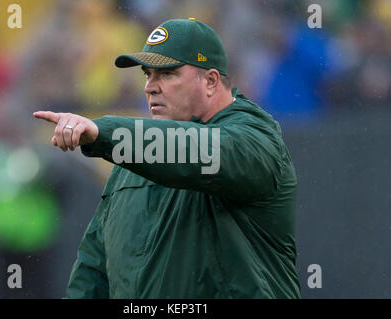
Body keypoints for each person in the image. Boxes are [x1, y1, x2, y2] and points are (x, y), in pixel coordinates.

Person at [34, 18, 301, 298]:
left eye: (167, 74)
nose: (150, 87)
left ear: (210, 81)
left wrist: (103, 132)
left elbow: (198, 150)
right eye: (147, 74)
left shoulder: (256, 137)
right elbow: (95, 267)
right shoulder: (131, 160)